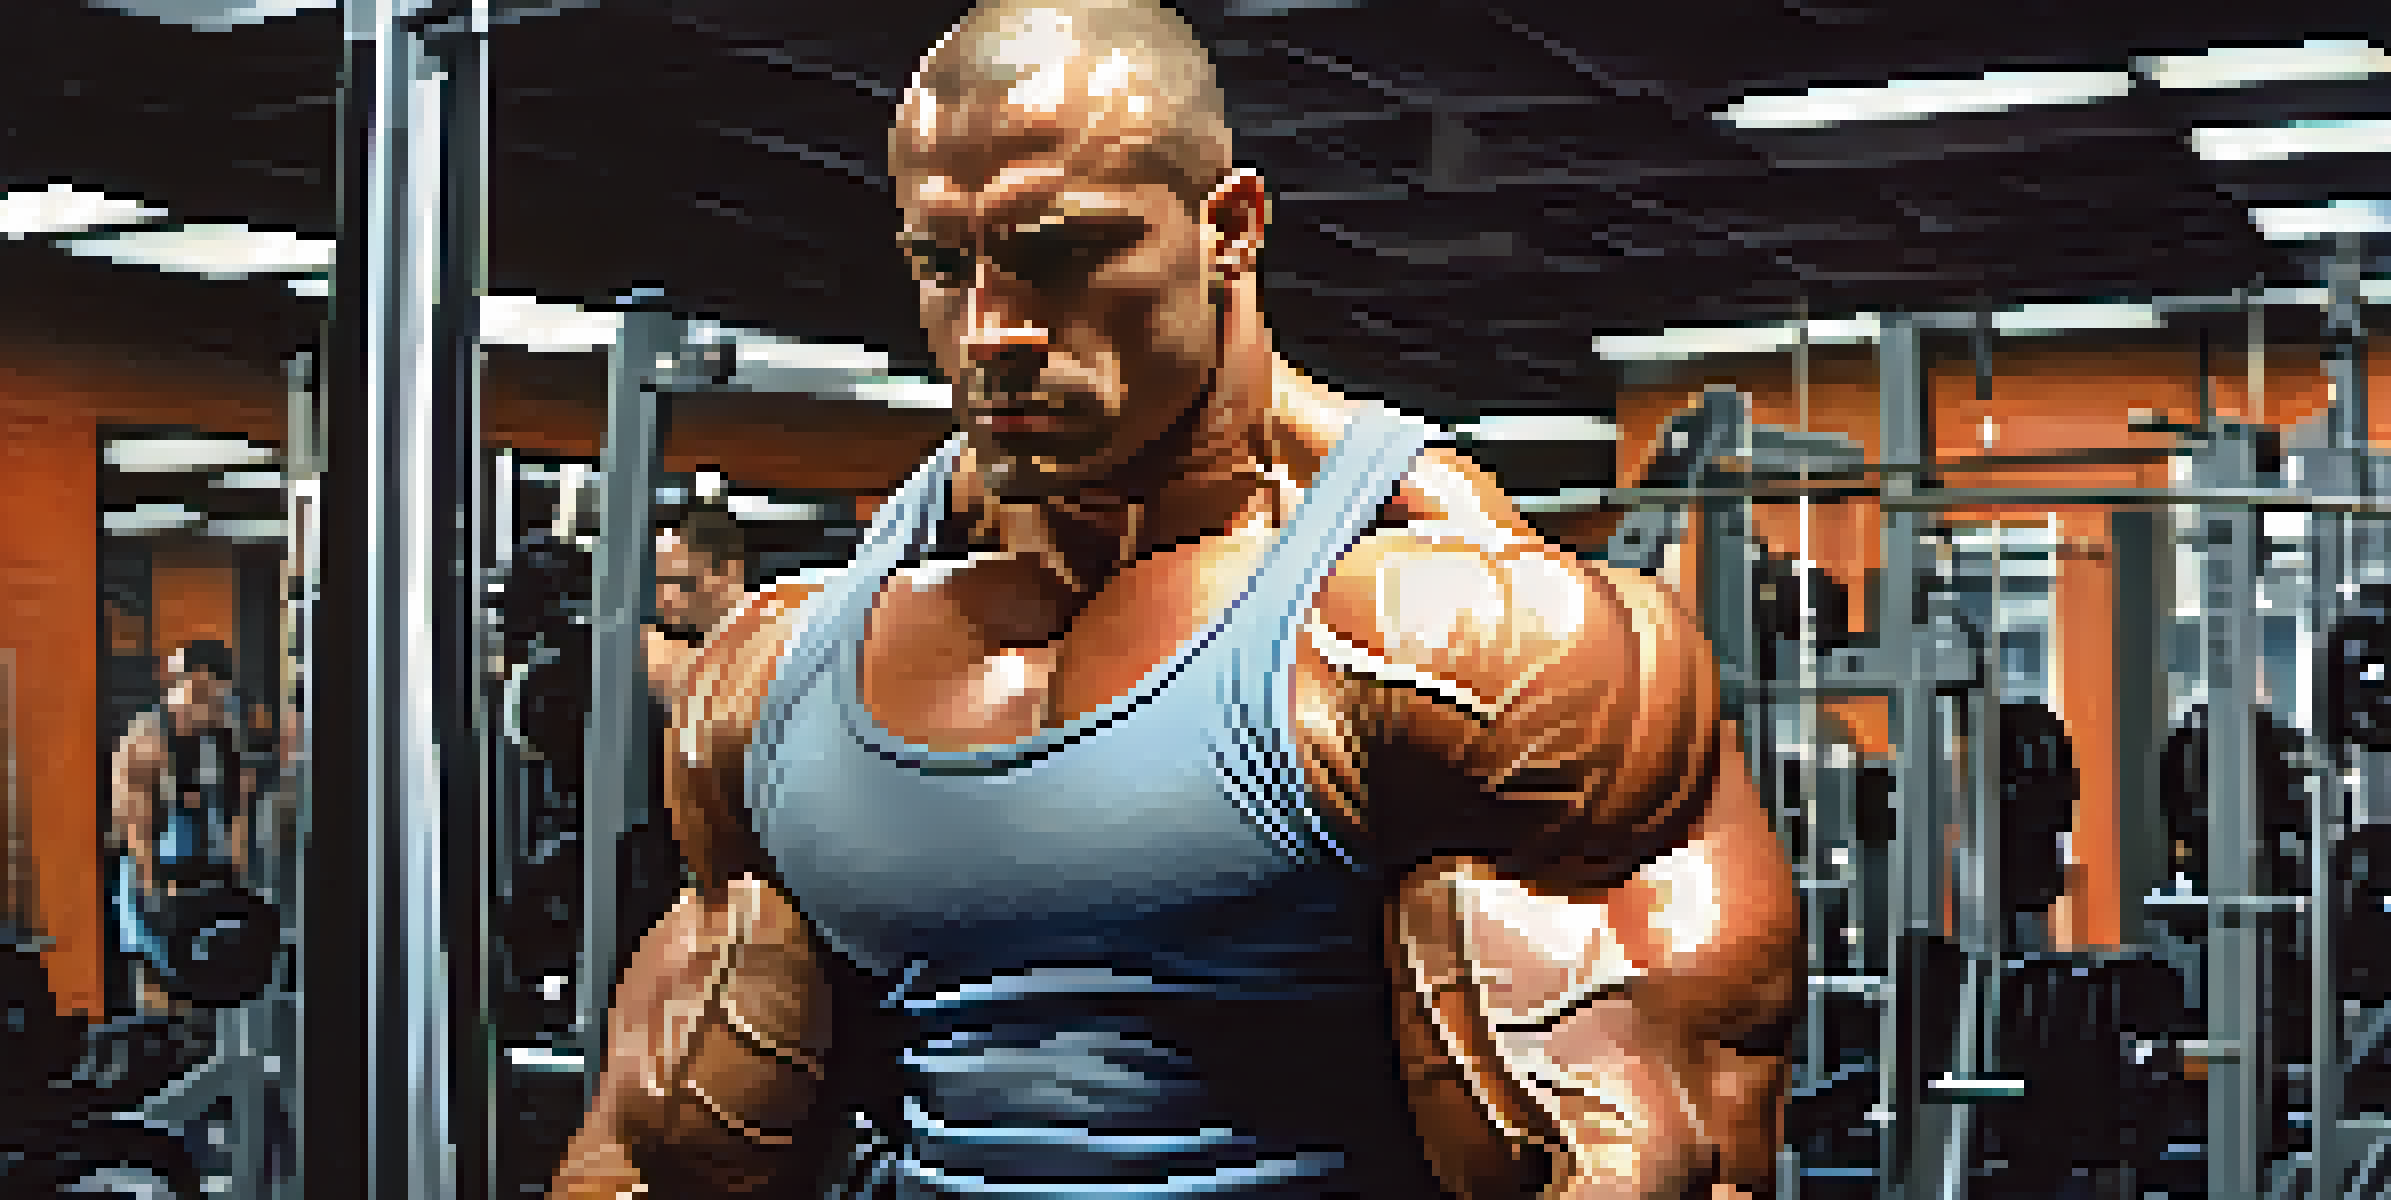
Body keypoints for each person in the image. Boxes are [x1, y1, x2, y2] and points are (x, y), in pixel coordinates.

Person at [550, 2, 1800, 1197]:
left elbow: (1662, 1161)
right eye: (943, 265)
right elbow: (647, 1151)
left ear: (1232, 229)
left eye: (1058, 252)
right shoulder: (775, 678)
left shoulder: (1473, 643)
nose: (991, 330)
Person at [108, 639, 255, 1016]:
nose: (209, 704)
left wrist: (234, 890)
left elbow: (237, 815)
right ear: (180, 681)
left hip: (208, 891)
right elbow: (136, 834)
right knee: (163, 1011)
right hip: (156, 893)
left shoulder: (224, 741)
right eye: (201, 691)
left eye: (217, 695)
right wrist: (159, 904)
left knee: (211, 1010)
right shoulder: (145, 740)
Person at [645, 505, 754, 705]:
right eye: (659, 583)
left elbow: (706, 684)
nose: (667, 598)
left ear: (727, 573)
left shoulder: (766, 625)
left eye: (685, 582)